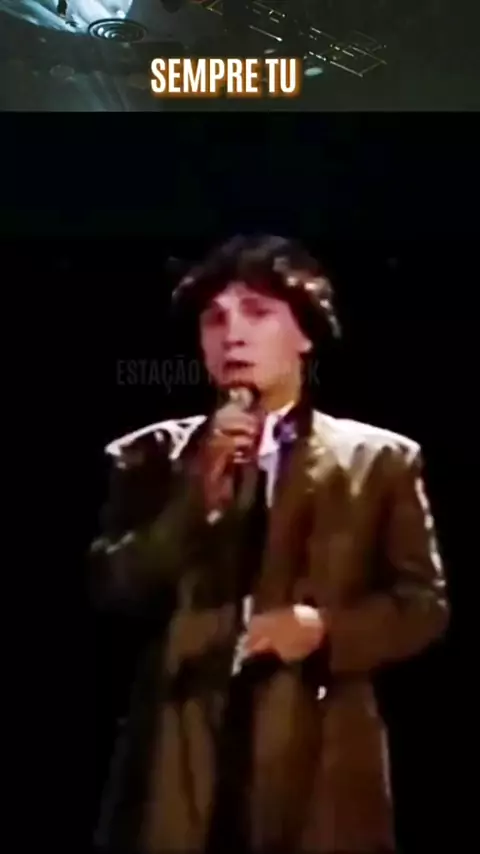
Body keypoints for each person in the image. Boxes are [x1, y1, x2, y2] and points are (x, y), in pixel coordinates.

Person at [89, 234, 449, 854]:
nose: (232, 335)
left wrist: (324, 629)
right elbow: (113, 588)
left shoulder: (379, 461)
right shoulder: (147, 457)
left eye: (256, 313)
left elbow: (424, 604)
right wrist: (193, 500)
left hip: (319, 758)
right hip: (180, 756)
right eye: (214, 319)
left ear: (305, 334)